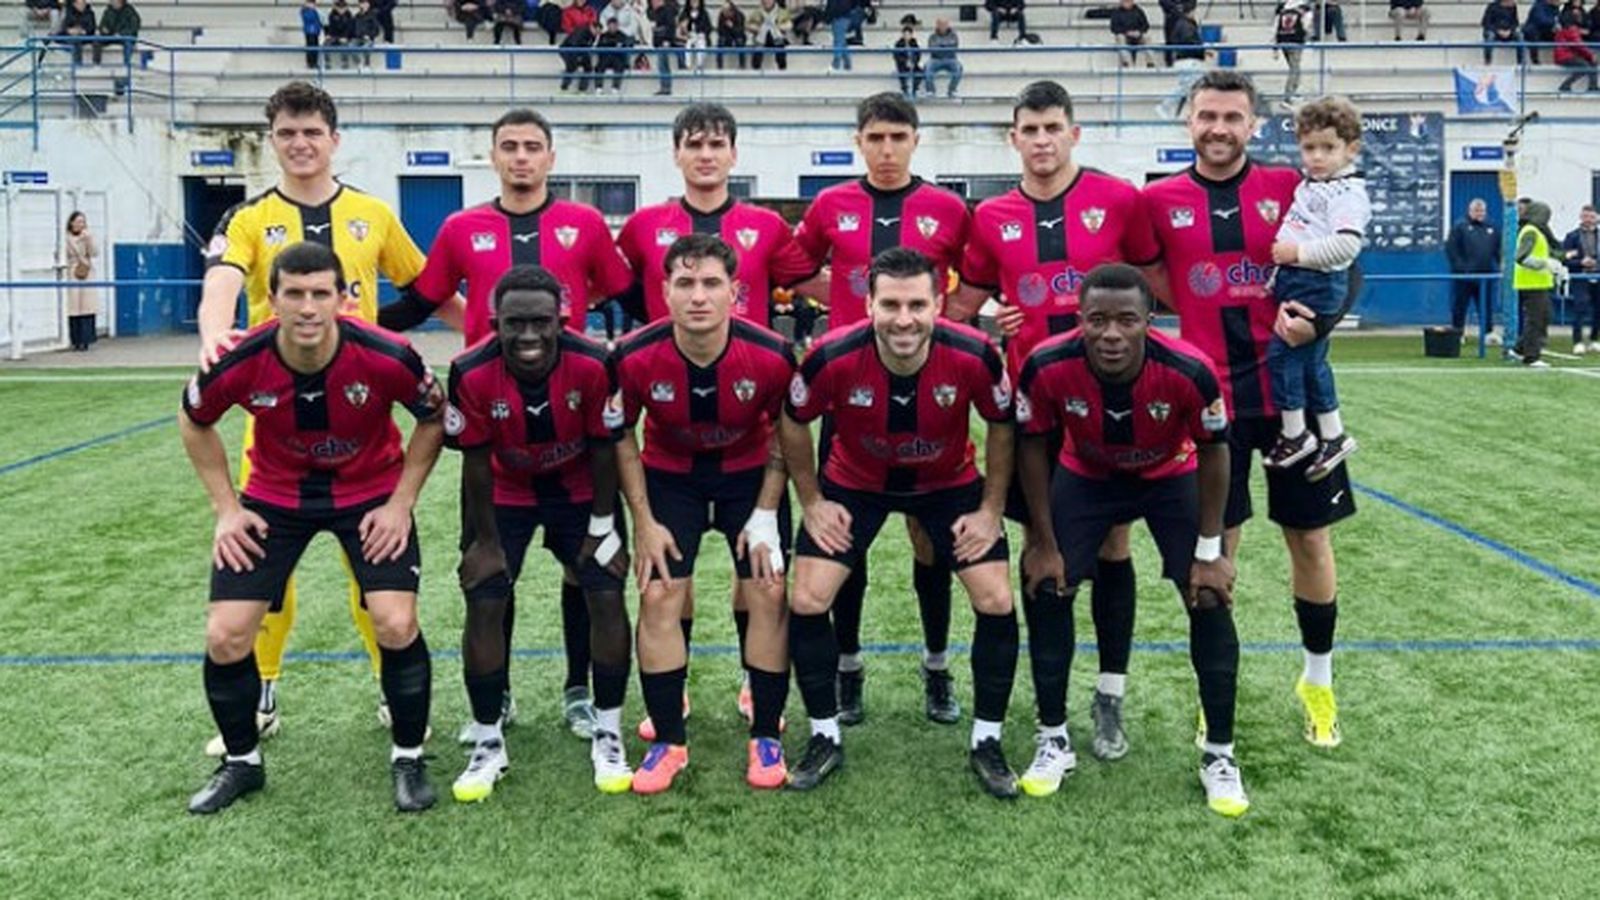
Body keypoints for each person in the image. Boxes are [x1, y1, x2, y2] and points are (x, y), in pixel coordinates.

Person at [195, 81, 434, 758]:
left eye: (311, 132)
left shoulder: (372, 212)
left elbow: (424, 288)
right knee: (266, 578)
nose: (300, 144)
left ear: (334, 139)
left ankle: (392, 689)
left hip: (362, 416)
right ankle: (262, 691)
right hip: (274, 422)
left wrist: (480, 334)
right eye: (287, 134)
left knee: (375, 569)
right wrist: (213, 340)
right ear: (272, 141)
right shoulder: (247, 217)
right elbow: (222, 285)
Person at [384, 108, 632, 739]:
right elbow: (421, 300)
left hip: (572, 421)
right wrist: (351, 326)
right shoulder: (461, 227)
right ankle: (499, 698)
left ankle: (579, 690)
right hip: (494, 424)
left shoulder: (584, 223)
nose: (521, 157)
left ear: (551, 157)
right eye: (510, 147)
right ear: (492, 156)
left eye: (532, 147)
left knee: (585, 570)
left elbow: (625, 290)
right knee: (492, 570)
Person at [180, 242, 445, 815]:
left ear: (343, 299)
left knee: (395, 622)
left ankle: (408, 757)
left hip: (370, 495)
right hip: (274, 499)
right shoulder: (239, 359)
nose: (307, 307)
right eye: (294, 294)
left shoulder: (387, 354)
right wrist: (227, 509)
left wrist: (401, 503)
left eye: (320, 293)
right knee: (226, 635)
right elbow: (194, 418)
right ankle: (242, 763)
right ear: (271, 299)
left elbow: (434, 418)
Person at [949, 80, 1162, 774]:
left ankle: (1109, 695)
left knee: (1113, 545)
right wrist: (990, 321)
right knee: (1042, 552)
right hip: (1033, 413)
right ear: (1013, 138)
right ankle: (1050, 716)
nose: (1041, 140)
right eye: (1029, 129)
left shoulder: (1118, 200)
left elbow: (1156, 289)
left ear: (1075, 133)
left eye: (1052, 128)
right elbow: (962, 306)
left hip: (1110, 407)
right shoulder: (991, 216)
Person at [1141, 70, 1356, 752]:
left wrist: (1320, 324)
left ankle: (1317, 683)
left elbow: (1347, 267)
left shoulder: (1293, 187)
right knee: (1215, 553)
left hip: (1291, 396)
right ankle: (1217, 697)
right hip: (1212, 406)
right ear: (1189, 122)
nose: (1218, 128)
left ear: (1254, 125)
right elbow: (1147, 277)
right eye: (1207, 115)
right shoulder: (1158, 200)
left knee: (1310, 539)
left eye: (1232, 117)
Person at [782, 247, 1021, 798]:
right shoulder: (830, 355)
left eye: (917, 305)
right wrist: (812, 501)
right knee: (809, 598)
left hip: (946, 484)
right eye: (890, 304)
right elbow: (793, 422)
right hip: (855, 483)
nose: (904, 319)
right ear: (868, 304)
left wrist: (990, 510)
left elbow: (1002, 424)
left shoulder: (975, 353)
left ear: (939, 304)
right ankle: (824, 734)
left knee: (996, 599)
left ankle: (986, 739)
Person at [614, 103, 814, 739]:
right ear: (676, 152)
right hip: (669, 422)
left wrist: (896, 312)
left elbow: (813, 286)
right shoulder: (643, 227)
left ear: (734, 153)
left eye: (716, 144)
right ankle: (670, 696)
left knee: (759, 581)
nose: (705, 155)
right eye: (694, 144)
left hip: (748, 428)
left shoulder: (766, 227)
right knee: (665, 584)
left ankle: (759, 688)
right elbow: (608, 287)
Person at [1016, 264, 1244, 815]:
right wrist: (1042, 541)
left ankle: (1219, 755)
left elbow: (1215, 452)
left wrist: (1210, 551)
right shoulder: (1046, 364)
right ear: (1080, 319)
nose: (1111, 334)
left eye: (1126, 320)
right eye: (1097, 320)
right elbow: (1032, 445)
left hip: (1168, 475)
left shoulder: (1189, 369)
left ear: (1150, 320)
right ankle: (1053, 738)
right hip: (1087, 475)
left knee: (1209, 596)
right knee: (1045, 585)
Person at [791, 92, 973, 729]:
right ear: (859, 142)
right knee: (847, 536)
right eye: (876, 138)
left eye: (898, 137)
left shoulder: (948, 209)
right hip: (849, 391)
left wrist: (959, 319)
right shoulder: (829, 205)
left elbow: (978, 276)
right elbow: (792, 267)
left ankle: (937, 665)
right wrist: (844, 296)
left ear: (916, 140)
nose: (887, 149)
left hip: (930, 390)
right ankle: (848, 667)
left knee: (930, 539)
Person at [613, 233, 797, 794]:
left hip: (749, 480)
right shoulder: (632, 355)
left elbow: (788, 433)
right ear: (664, 290)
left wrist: (767, 509)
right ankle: (669, 740)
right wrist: (643, 522)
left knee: (767, 590)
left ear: (735, 293)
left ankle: (765, 733)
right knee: (659, 593)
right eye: (685, 283)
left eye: (712, 283)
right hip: (671, 480)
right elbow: (621, 436)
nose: (698, 296)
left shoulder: (771, 353)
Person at [444, 265, 634, 801]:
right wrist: (484, 542)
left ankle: (608, 730)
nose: (528, 335)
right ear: (494, 323)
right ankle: (488, 739)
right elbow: (474, 461)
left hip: (580, 487)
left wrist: (603, 527)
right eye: (515, 323)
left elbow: (605, 448)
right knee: (485, 596)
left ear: (562, 320)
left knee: (605, 591)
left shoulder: (594, 362)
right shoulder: (470, 370)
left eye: (540, 322)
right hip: (506, 490)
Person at [1261, 96, 1368, 480]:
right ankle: (1332, 434)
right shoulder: (1315, 184)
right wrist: (1278, 274)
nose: (1317, 156)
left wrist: (1296, 254)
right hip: (1300, 280)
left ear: (1350, 149)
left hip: (1316, 283)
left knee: (1283, 357)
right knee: (1311, 362)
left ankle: (1296, 434)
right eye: (1309, 147)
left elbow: (1346, 246)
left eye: (1328, 147)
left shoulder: (1346, 193)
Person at [1513, 200, 1567, 367]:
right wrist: (1545, 263)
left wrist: (1554, 264)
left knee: (1543, 316)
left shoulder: (1535, 231)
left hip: (1538, 282)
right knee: (1536, 320)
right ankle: (1531, 356)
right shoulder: (1531, 231)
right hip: (1531, 283)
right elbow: (1521, 257)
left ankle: (1519, 349)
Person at [1444, 198, 1501, 340]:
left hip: (1485, 275)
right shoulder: (1460, 226)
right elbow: (1452, 250)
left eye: (1482, 211)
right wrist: (1461, 269)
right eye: (1476, 210)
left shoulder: (1492, 227)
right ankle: (1458, 333)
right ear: (1470, 211)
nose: (1479, 213)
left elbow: (1498, 249)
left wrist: (1501, 265)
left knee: (1486, 306)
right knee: (1460, 305)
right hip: (1464, 277)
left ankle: (1487, 333)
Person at [1155, 8, 1206, 119]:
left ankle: (1183, 113)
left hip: (1184, 60)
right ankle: (1165, 106)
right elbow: (1190, 42)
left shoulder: (1181, 24)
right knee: (1187, 87)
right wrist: (1203, 48)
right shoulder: (1186, 26)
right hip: (1188, 60)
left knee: (1189, 88)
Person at [1562, 205, 1599, 353]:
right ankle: (1577, 341)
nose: (1588, 220)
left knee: (1598, 309)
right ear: (1580, 217)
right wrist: (1580, 262)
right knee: (1580, 308)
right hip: (1580, 277)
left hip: (1598, 276)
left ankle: (1594, 339)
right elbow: (1565, 259)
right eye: (1585, 216)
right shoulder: (1572, 236)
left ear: (1596, 218)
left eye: (1591, 217)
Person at [63, 211, 98, 350]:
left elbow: (94, 253)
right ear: (71, 223)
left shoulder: (87, 236)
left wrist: (89, 240)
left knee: (87, 306)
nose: (80, 225)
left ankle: (86, 340)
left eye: (83, 222)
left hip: (86, 272)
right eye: (78, 221)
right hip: (72, 271)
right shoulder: (65, 238)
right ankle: (75, 340)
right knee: (73, 307)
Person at [1273, 0, 1310, 103]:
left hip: (1283, 41)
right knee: (1295, 69)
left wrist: (1275, 47)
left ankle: (1293, 91)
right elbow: (1306, 25)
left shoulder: (1281, 11)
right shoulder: (1303, 10)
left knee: (1294, 68)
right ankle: (1288, 95)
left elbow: (1275, 28)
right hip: (1296, 42)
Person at [1554, 19, 1599, 91]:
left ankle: (1593, 86)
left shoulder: (1565, 30)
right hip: (1565, 57)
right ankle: (1565, 85)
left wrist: (1589, 56)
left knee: (1591, 63)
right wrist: (1590, 55)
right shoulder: (1572, 30)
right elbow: (1579, 46)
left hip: (1566, 55)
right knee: (1584, 67)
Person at [923, 17, 961, 98]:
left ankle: (952, 90)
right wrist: (946, 48)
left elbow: (954, 48)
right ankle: (930, 90)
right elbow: (932, 49)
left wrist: (940, 47)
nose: (943, 26)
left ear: (947, 25)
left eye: (944, 24)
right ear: (937, 25)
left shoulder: (954, 36)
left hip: (950, 59)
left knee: (958, 68)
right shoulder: (932, 36)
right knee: (927, 67)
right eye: (941, 24)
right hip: (935, 59)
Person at [746, 0, 789, 70]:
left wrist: (780, 27)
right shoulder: (756, 12)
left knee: (780, 45)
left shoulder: (781, 12)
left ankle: (782, 69)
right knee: (757, 46)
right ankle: (756, 69)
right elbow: (748, 25)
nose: (767, 1)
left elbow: (789, 24)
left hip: (776, 37)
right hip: (760, 38)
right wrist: (756, 28)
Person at [1109, 0, 1153, 68]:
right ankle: (1127, 63)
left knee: (1147, 37)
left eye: (1129, 1)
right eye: (1124, 1)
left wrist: (1139, 32)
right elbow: (1113, 28)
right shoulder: (1116, 13)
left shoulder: (1139, 11)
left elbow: (1146, 25)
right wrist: (1126, 32)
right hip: (1125, 36)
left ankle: (1150, 63)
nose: (1127, 2)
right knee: (1120, 37)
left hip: (1138, 36)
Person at [595, 17, 633, 92]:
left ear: (617, 26)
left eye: (614, 25)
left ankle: (615, 88)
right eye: (610, 25)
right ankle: (598, 87)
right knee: (599, 67)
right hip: (605, 58)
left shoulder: (622, 36)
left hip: (617, 58)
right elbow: (599, 48)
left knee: (619, 66)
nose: (612, 27)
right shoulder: (603, 36)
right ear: (607, 26)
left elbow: (626, 47)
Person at [649, 0, 679, 94]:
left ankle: (666, 87)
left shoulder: (667, 11)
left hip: (664, 43)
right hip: (659, 43)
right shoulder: (657, 13)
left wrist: (667, 40)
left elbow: (670, 27)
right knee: (662, 65)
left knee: (663, 65)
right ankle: (664, 86)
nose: (652, 3)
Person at [96, 0, 139, 66]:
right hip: (110, 36)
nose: (112, 2)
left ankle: (126, 64)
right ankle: (96, 63)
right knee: (97, 41)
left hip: (124, 37)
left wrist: (121, 34)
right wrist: (104, 30)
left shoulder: (130, 12)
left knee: (128, 43)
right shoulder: (108, 11)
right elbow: (102, 25)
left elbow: (133, 27)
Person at [1481, 0, 1522, 66]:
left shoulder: (1513, 7)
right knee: (1490, 36)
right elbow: (1486, 22)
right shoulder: (1492, 6)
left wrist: (1510, 31)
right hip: (1495, 32)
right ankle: (1488, 62)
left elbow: (1515, 23)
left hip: (1508, 32)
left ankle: (1520, 63)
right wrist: (1498, 31)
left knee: (1520, 36)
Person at [559, 19, 597, 91]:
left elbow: (588, 46)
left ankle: (582, 88)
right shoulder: (581, 32)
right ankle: (564, 87)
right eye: (596, 31)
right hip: (568, 49)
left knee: (588, 67)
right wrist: (578, 56)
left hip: (581, 52)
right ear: (592, 27)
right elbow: (574, 43)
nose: (597, 33)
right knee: (572, 66)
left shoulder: (593, 36)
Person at [60, 0, 97, 65]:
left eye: (83, 3)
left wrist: (83, 31)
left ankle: (95, 64)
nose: (82, 6)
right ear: (75, 4)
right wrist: (70, 31)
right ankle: (77, 63)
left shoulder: (90, 13)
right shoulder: (69, 13)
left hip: (86, 37)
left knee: (97, 41)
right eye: (80, 4)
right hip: (72, 37)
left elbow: (92, 28)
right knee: (75, 40)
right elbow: (64, 27)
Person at [678, 0, 711, 72]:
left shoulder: (704, 13)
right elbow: (680, 25)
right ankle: (688, 66)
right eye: (692, 1)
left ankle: (699, 66)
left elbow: (708, 27)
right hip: (688, 37)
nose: (694, 2)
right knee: (688, 47)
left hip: (700, 36)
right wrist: (685, 30)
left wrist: (702, 33)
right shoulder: (685, 13)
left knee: (701, 47)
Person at [892, 20, 921, 98]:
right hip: (902, 64)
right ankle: (905, 90)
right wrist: (905, 62)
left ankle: (915, 89)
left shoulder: (914, 43)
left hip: (913, 63)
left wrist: (913, 62)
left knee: (920, 72)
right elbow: (896, 56)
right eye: (905, 34)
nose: (907, 36)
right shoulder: (898, 44)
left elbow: (918, 54)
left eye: (908, 34)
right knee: (902, 72)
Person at [823, 0, 853, 71]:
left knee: (838, 40)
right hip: (845, 16)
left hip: (838, 17)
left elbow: (832, 6)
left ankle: (836, 63)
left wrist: (827, 18)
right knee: (841, 40)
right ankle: (847, 62)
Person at [715, 0, 745, 68]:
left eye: (725, 10)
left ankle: (742, 65)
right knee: (720, 41)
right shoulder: (722, 15)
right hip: (726, 36)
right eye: (723, 10)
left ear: (731, 11)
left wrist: (732, 27)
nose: (724, 12)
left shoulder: (739, 15)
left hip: (738, 36)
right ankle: (719, 66)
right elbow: (720, 30)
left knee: (740, 41)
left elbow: (740, 31)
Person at [325, 0, 355, 67]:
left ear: (346, 7)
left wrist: (345, 37)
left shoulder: (349, 15)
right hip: (334, 36)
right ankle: (327, 63)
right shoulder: (332, 14)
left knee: (345, 45)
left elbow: (349, 28)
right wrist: (329, 35)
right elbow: (331, 26)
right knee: (326, 44)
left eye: (343, 8)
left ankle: (345, 62)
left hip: (345, 36)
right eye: (339, 8)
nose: (341, 10)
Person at [300, 0, 322, 67]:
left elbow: (318, 20)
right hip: (309, 31)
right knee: (310, 46)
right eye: (310, 3)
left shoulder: (315, 11)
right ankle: (310, 62)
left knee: (316, 46)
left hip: (315, 31)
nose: (313, 5)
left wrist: (319, 28)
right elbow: (309, 19)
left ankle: (315, 62)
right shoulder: (305, 11)